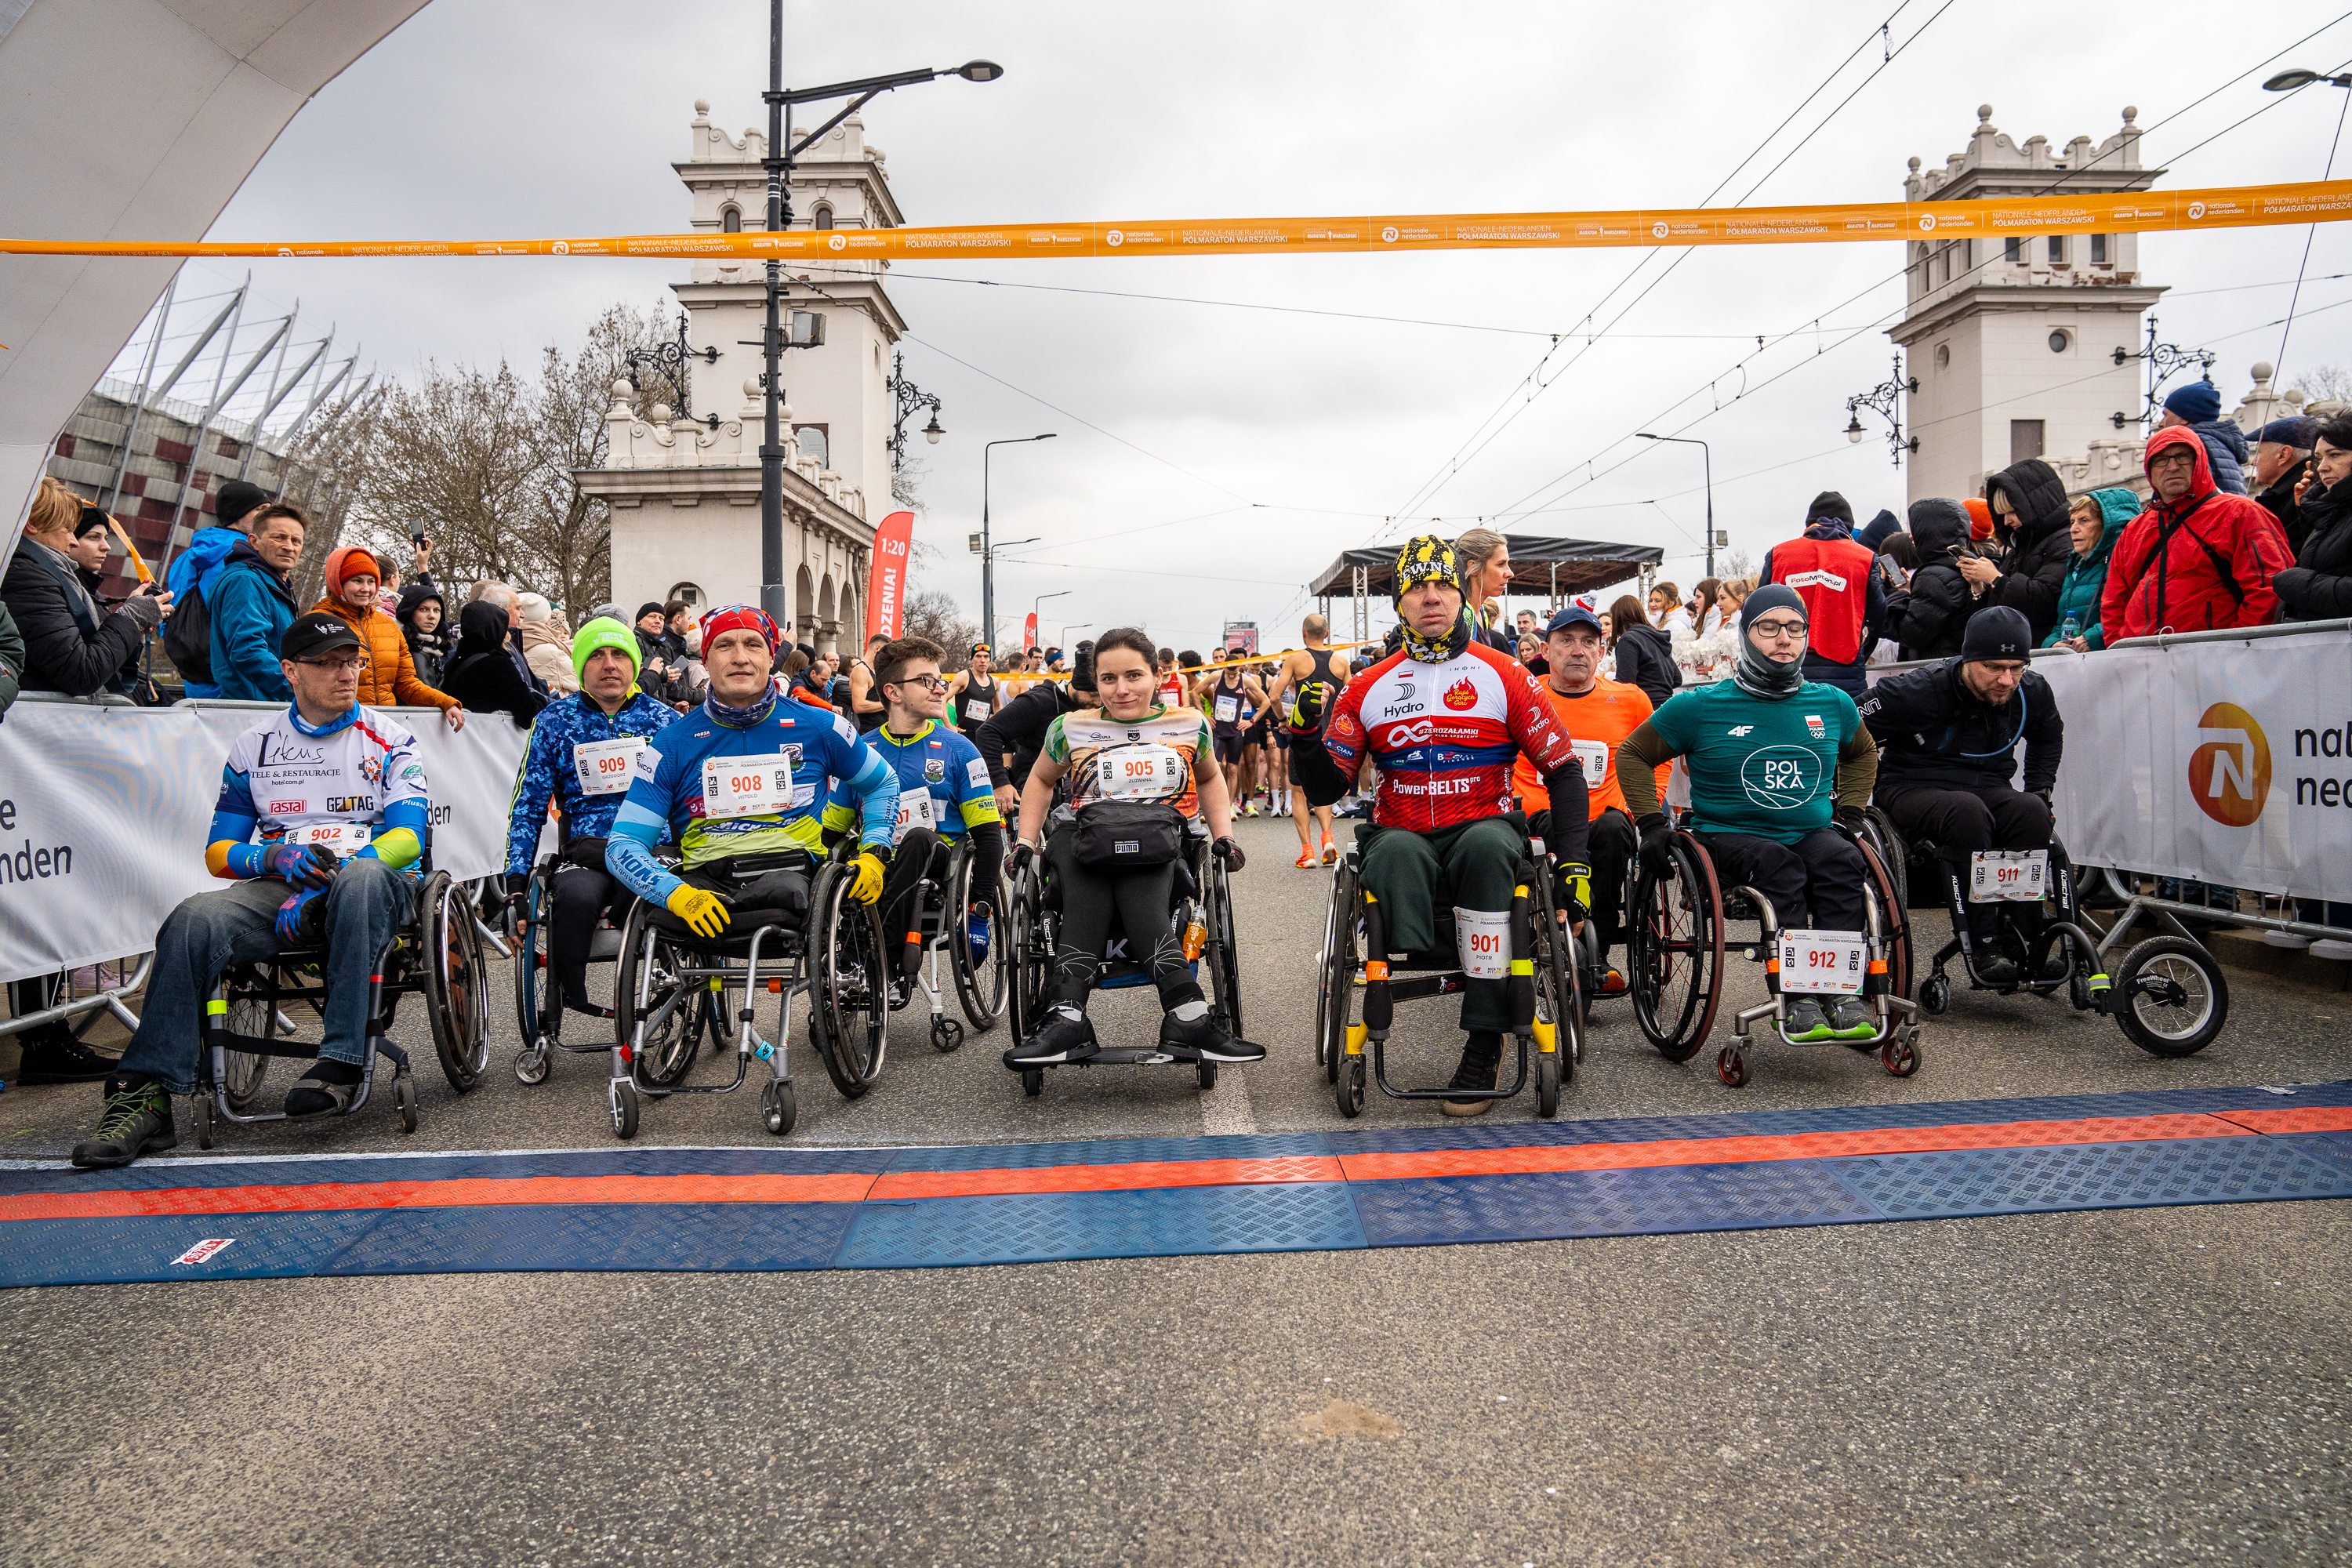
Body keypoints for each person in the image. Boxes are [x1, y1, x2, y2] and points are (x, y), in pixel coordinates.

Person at [69, 612, 434, 1167]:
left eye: (351, 661)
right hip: (281, 884)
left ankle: (340, 1058)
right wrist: (272, 855)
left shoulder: (391, 738)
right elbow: (220, 853)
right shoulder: (254, 747)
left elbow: (408, 838)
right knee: (193, 916)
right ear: (290, 670)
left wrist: (332, 881)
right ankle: (145, 1094)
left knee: (358, 881)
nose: (345, 673)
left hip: (372, 881)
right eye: (327, 663)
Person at [1321, 537, 1592, 1114]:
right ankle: (1405, 963)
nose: (1431, 597)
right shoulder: (1367, 684)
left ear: (1459, 591)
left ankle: (1484, 1043)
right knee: (1392, 853)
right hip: (1401, 829)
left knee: (1492, 847)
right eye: (1416, 587)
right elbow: (1327, 788)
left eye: (1441, 584)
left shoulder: (1506, 673)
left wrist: (1575, 865)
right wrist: (1301, 737)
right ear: (1400, 603)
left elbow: (1566, 773)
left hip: (1484, 824)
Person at [1616, 584, 1883, 1044]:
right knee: (1782, 866)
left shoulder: (1832, 702)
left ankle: (1842, 994)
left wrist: (1854, 811)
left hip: (1808, 830)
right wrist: (1650, 823)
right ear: (1745, 635)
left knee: (1843, 861)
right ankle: (1798, 999)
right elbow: (1633, 754)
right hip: (1728, 835)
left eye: (1795, 629)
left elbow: (1864, 753)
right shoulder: (1700, 706)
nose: (1784, 639)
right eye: (1770, 628)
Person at [1006, 626, 1261, 1069]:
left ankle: (1069, 1016)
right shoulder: (1069, 727)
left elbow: (1209, 778)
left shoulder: (1187, 724)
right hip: (1084, 835)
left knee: (1138, 867)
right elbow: (1041, 781)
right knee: (1087, 863)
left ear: (1158, 676)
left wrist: (1225, 838)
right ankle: (1186, 1015)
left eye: (1134, 676)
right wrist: (1025, 842)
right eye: (1108, 679)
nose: (1121, 690)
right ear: (1095, 681)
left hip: (1159, 837)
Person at [604, 605, 898, 964]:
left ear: (771, 658)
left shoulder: (822, 727)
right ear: (706, 660)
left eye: (753, 645)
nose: (740, 658)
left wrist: (875, 851)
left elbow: (883, 783)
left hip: (793, 881)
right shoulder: (671, 743)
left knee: (785, 889)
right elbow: (623, 844)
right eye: (725, 645)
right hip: (705, 884)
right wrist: (674, 894)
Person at [1860, 607, 2064, 985]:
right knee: (1967, 812)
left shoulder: (2030, 690)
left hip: (1989, 786)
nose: (2007, 679)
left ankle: (2027, 934)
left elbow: (2049, 736)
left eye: (2016, 667)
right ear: (1969, 659)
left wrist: (2040, 788)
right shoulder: (1917, 690)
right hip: (1912, 787)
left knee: (2031, 811)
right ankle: (1984, 940)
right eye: (1994, 667)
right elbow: (1850, 722)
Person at [501, 617, 678, 1029]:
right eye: (596, 656)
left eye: (619, 655)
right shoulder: (554, 722)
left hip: (654, 849)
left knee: (644, 897)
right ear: (581, 667)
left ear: (635, 665)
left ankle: (660, 993)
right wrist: (515, 884)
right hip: (588, 849)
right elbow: (527, 806)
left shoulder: (665, 721)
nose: (609, 664)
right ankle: (573, 995)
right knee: (576, 900)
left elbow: (692, 801)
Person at [822, 635, 1005, 1000]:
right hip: (874, 860)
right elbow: (832, 832)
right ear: (892, 692)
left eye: (940, 680)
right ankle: (837, 968)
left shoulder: (959, 750)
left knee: (919, 837)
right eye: (927, 681)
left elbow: (988, 838)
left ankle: (885, 965)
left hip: (938, 864)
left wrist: (980, 912)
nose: (940, 689)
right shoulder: (862, 751)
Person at [1512, 604, 1657, 992]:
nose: (1579, 650)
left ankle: (1598, 953)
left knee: (1612, 830)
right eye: (1567, 641)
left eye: (1589, 642)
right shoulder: (1524, 694)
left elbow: (1657, 758)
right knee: (1551, 828)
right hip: (1541, 817)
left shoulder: (1631, 699)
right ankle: (1554, 944)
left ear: (1601, 650)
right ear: (1546, 650)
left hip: (1606, 816)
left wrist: (1645, 807)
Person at [2104, 426, 2293, 641]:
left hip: (2213, 659)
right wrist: (2121, 649)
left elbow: (2268, 590)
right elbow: (2113, 604)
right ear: (2149, 469)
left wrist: (2234, 648)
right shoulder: (2135, 530)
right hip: (2143, 661)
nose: (2172, 466)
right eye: (2161, 460)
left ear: (2200, 461)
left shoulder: (2241, 514)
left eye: (2182, 457)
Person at [3, 480, 169, 698]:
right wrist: (130, 618)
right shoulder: (25, 577)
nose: (73, 542)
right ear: (33, 524)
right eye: (69, 530)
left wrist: (128, 624)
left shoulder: (32, 572)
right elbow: (81, 673)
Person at [307, 545, 464, 727]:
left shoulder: (389, 626)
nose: (366, 589)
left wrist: (444, 702)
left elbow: (407, 684)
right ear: (338, 582)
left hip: (383, 730)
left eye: (371, 581)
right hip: (333, 728)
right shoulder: (316, 624)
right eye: (357, 581)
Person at [1760, 491, 1886, 695]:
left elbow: (1757, 610)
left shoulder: (1779, 554)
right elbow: (1879, 615)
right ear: (1848, 526)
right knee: (1841, 723)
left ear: (1809, 523)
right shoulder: (1865, 558)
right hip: (1845, 668)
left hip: (1785, 665)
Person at [159, 477, 267, 697]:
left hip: (194, 673)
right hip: (237, 675)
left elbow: (170, 617)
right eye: (261, 510)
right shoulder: (247, 557)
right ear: (239, 514)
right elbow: (247, 623)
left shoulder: (185, 558)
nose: (267, 518)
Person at [1258, 613, 1352, 868]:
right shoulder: (1342, 661)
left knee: (1298, 791)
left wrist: (1284, 721)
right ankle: (1328, 839)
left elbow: (1274, 696)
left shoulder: (1296, 659)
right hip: (1332, 737)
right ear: (1328, 633)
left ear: (1303, 633)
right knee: (1323, 790)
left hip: (1304, 735)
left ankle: (1308, 852)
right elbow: (1351, 700)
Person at [205, 503, 306, 702]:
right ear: (254, 541)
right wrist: (299, 690)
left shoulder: (272, 583)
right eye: (279, 537)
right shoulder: (245, 581)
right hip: (253, 710)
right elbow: (248, 651)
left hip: (266, 705)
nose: (289, 546)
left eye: (296, 541)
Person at [976, 651, 1094, 819]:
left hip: (1080, 778)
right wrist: (1000, 782)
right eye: (1093, 695)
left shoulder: (1102, 704)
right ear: (1075, 685)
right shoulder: (1038, 702)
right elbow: (988, 732)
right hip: (1034, 779)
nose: (1098, 703)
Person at [1969, 458, 2074, 643]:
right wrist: (1979, 586)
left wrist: (1995, 579)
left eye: (2012, 512)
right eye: (2002, 514)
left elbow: (2047, 602)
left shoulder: (2064, 541)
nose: (2006, 521)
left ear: (2035, 505)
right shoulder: (2022, 543)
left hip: (2037, 649)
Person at [1880, 498, 1980, 661]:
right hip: (1955, 662)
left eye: (1917, 528)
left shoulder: (1933, 577)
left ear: (1930, 532)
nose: (1911, 536)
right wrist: (1912, 591)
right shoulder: (1963, 565)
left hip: (1937, 669)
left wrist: (1897, 597)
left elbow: (1912, 634)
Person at [2275, 412, 2352, 622]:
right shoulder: (2333, 510)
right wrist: (2308, 516)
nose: (2322, 467)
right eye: (2319, 458)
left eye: (2334, 454)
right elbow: (2332, 563)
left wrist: (2296, 584)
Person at [2042, 488, 2136, 650]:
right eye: (2072, 522)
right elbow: (2062, 624)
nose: (2073, 529)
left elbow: (2133, 612)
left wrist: (2092, 639)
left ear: (2107, 526)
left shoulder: (2123, 561)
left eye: (2084, 520)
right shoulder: (2076, 567)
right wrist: (2053, 644)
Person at [441, 599, 549, 726]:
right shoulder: (499, 665)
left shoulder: (452, 664)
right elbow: (528, 716)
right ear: (496, 628)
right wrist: (539, 699)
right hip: (494, 739)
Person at [1201, 652, 1265, 833]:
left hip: (1236, 731)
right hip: (1219, 730)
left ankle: (1228, 807)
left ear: (1240, 667)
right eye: (1228, 671)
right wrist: (1205, 716)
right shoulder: (1215, 676)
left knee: (1233, 768)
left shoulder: (1245, 680)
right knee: (1217, 766)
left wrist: (1251, 721)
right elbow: (1196, 692)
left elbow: (1265, 701)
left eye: (1233, 671)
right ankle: (1213, 806)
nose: (1230, 674)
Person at [2156, 379, 2248, 495]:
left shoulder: (2193, 444)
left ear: (2184, 418)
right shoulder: (2220, 443)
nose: (2161, 423)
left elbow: (2187, 497)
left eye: (2166, 415)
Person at [2250, 416, 2320, 553]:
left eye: (2258, 452)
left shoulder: (2302, 496)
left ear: (2283, 455)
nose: (2253, 462)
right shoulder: (2285, 495)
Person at [1608, 593, 1678, 708]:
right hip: (1668, 707)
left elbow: (1625, 683)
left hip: (1646, 709)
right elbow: (1677, 679)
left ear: (1618, 618)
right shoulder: (1657, 637)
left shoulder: (1628, 640)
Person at [1453, 527, 1516, 650]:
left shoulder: (1481, 612)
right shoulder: (1461, 616)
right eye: (1500, 565)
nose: (1510, 573)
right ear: (1474, 567)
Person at [516, 593, 577, 696]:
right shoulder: (556, 654)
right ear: (546, 619)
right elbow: (583, 690)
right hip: (556, 710)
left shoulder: (509, 646)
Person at [398, 582, 451, 688]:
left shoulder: (435, 646)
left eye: (436, 610)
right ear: (409, 611)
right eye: (424, 609)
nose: (432, 616)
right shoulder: (400, 645)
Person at [946, 642, 1000, 745]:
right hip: (964, 734)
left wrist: (1001, 731)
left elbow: (997, 707)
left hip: (984, 734)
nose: (983, 660)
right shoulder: (964, 676)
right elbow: (943, 699)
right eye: (978, 656)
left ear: (989, 660)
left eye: (986, 656)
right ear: (972, 659)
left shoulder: (995, 681)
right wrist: (949, 725)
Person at [844, 630, 890, 733]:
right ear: (877, 648)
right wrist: (889, 703)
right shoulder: (861, 670)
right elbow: (858, 706)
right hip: (870, 732)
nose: (887, 657)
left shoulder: (874, 671)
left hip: (881, 730)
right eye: (886, 653)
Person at [631, 603, 677, 703]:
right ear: (639, 621)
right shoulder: (635, 641)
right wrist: (664, 674)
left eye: (661, 619)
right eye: (652, 616)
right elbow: (640, 674)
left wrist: (672, 705)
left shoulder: (654, 645)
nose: (658, 621)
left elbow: (655, 690)